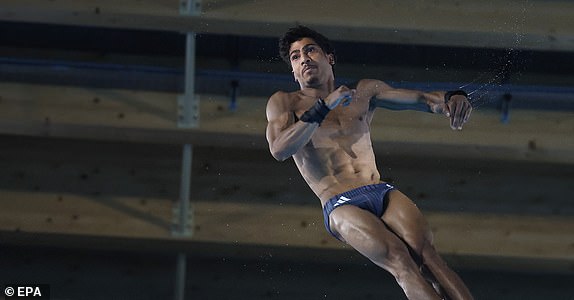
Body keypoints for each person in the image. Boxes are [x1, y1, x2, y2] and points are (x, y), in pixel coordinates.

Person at [265, 25, 474, 300]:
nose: (303, 58)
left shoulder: (363, 92)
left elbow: (424, 99)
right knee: (400, 260)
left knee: (428, 257)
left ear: (330, 58)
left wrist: (454, 97)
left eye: (310, 50)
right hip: (340, 203)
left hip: (380, 190)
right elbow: (279, 149)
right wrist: (323, 106)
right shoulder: (285, 102)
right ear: (293, 71)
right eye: (295, 57)